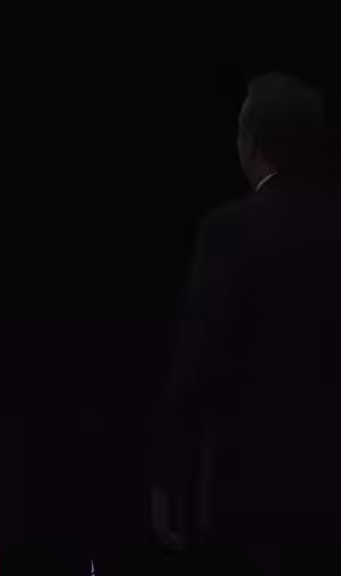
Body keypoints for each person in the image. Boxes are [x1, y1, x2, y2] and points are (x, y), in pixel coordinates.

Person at [152, 73, 339, 576]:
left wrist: (169, 472)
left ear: (253, 142)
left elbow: (198, 360)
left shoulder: (230, 230)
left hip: (257, 477)